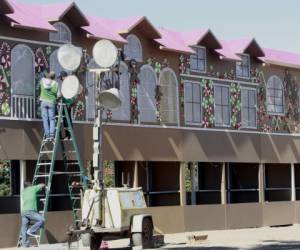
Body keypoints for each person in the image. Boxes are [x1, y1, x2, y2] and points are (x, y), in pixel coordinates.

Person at [58, 71, 84, 140]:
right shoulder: (68, 82)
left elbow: (80, 90)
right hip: (66, 103)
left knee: (67, 119)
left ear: (63, 77)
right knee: (66, 119)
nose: (60, 79)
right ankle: (68, 135)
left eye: (60, 78)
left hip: (67, 103)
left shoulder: (68, 83)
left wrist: (73, 101)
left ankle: (69, 135)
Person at [20, 182, 45, 247]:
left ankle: (25, 245)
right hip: (30, 211)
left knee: (24, 229)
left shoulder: (23, 192)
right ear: (30, 185)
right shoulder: (33, 188)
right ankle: (31, 230)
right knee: (42, 220)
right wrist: (45, 185)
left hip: (23, 212)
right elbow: (42, 185)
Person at [40, 72, 59, 141]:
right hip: (51, 102)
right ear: (54, 77)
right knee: (52, 119)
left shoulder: (42, 81)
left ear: (48, 76)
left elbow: (44, 76)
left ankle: (47, 135)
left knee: (45, 119)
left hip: (43, 102)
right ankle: (51, 135)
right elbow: (58, 94)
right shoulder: (56, 84)